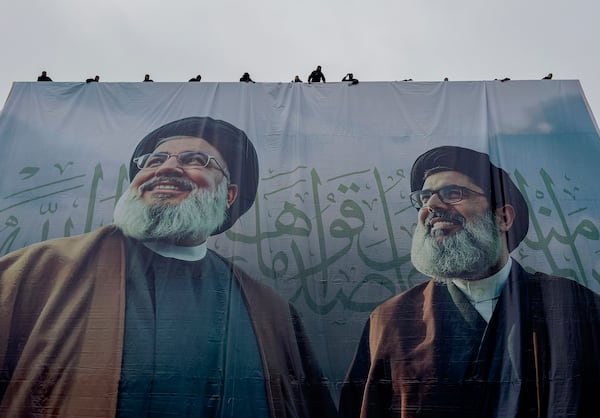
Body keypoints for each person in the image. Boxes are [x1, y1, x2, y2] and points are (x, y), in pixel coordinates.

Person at [0, 116, 337, 418]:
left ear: (229, 195)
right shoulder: (38, 271)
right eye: (154, 161)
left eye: (195, 160)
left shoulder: (271, 314)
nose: (165, 169)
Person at [340, 145, 600, 418]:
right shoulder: (392, 319)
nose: (432, 207)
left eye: (453, 193)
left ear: (503, 218)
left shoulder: (573, 307)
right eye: (425, 198)